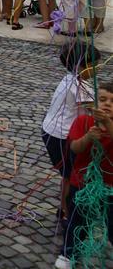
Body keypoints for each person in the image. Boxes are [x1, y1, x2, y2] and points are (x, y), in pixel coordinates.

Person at [41, 41, 98, 230]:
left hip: (49, 131)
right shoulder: (83, 88)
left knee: (67, 173)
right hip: (62, 137)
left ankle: (63, 209)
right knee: (69, 175)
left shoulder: (68, 78)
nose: (97, 68)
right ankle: (66, 213)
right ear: (80, 66)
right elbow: (91, 115)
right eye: (93, 65)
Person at [57, 80, 113, 269]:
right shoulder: (83, 121)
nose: (107, 104)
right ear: (94, 103)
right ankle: (68, 253)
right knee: (77, 220)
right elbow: (75, 148)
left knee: (112, 223)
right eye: (102, 100)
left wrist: (107, 123)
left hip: (109, 186)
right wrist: (88, 137)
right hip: (81, 183)